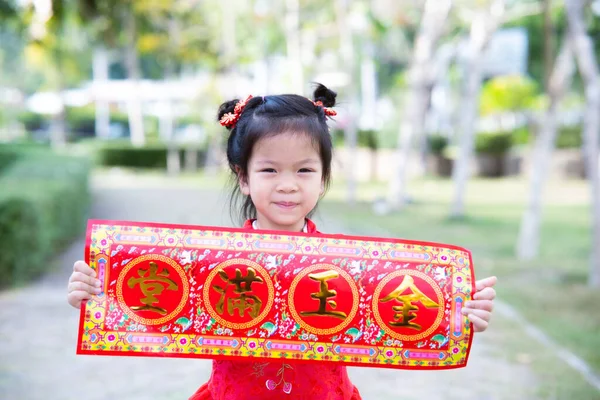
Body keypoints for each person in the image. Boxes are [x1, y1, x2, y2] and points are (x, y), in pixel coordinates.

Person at [67, 84, 497, 400]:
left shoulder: (355, 267)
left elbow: (405, 311)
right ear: (243, 177)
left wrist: (459, 310)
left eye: (305, 171)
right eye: (270, 170)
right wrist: (96, 289)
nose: (288, 186)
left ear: (324, 178)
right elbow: (151, 299)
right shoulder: (210, 261)